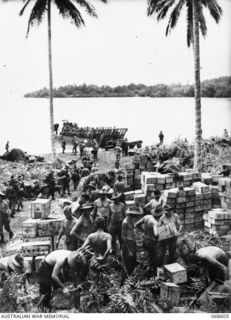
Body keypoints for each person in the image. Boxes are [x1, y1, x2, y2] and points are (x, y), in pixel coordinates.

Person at [80, 217, 112, 287]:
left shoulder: (91, 236)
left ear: (95, 225)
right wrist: (103, 257)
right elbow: (109, 248)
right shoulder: (108, 236)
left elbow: (82, 248)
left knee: (94, 283)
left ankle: (93, 295)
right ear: (104, 224)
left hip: (95, 260)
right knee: (108, 282)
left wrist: (89, 253)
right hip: (105, 261)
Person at [135, 206, 161, 277]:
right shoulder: (155, 222)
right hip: (151, 242)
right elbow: (156, 234)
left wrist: (144, 231)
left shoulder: (147, 217)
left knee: (149, 255)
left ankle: (148, 268)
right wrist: (157, 239)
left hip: (144, 239)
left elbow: (137, 224)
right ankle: (153, 274)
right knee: (154, 258)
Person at [121, 208, 138, 276]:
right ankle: (127, 278)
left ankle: (131, 277)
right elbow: (124, 237)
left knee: (133, 261)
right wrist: (128, 250)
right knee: (128, 262)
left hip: (133, 242)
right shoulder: (125, 222)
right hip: (128, 243)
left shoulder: (131, 220)